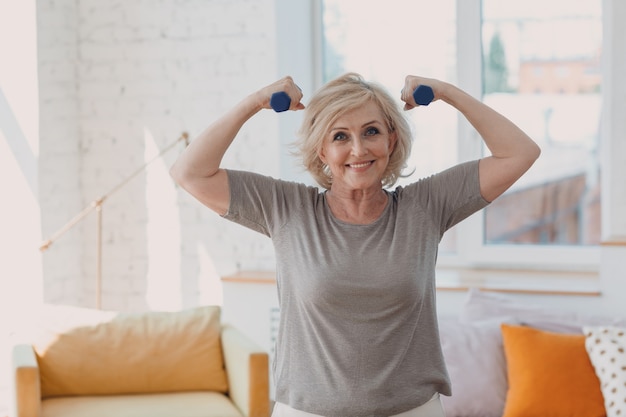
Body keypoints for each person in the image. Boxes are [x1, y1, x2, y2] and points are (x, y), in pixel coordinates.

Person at [170, 73, 540, 417]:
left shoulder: (425, 206)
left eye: (371, 131)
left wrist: (446, 92)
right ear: (322, 152)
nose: (358, 149)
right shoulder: (286, 209)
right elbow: (190, 172)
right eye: (340, 136)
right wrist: (255, 102)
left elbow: (519, 152)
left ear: (391, 140)